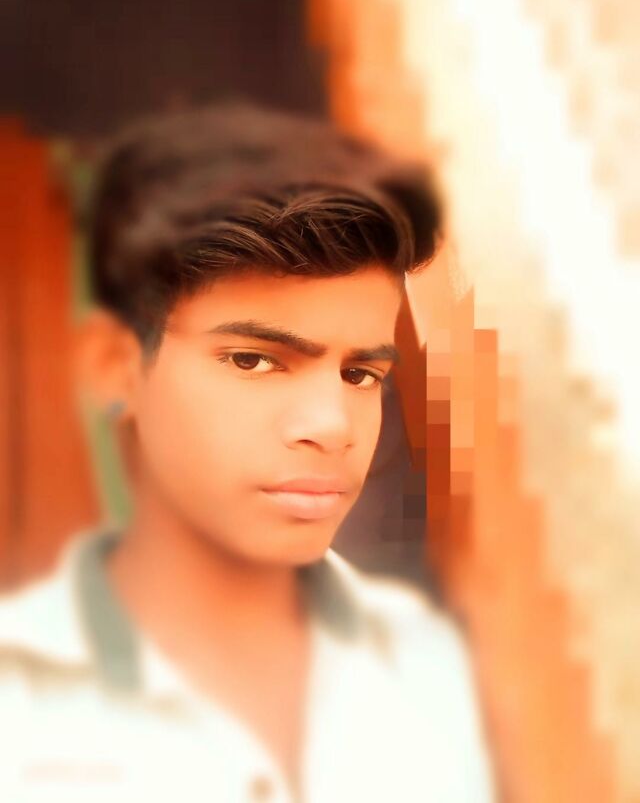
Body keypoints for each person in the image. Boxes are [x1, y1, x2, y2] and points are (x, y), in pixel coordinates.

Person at [0, 103, 495, 802]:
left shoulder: (425, 660)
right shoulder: (18, 698)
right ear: (116, 366)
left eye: (361, 374)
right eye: (254, 360)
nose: (332, 426)